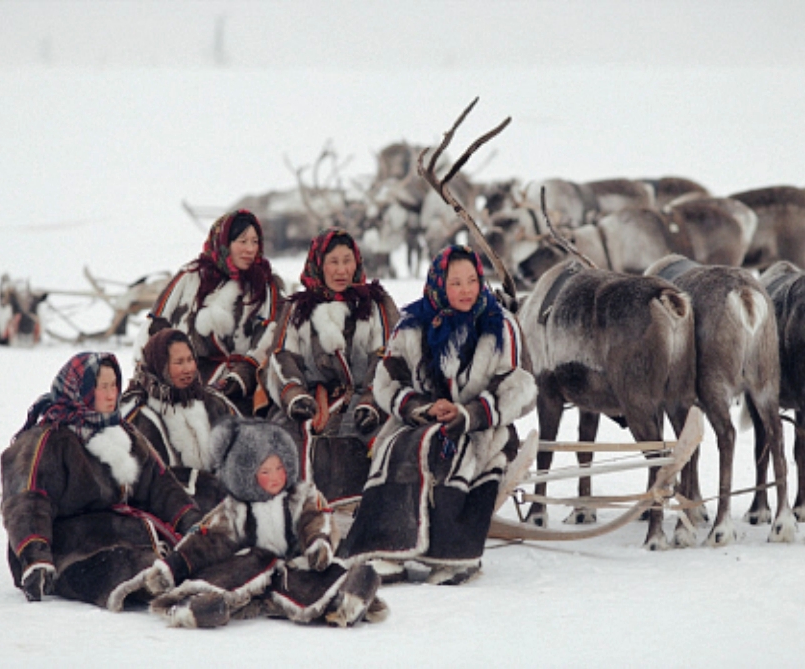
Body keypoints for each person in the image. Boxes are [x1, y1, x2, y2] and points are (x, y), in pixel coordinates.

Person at [339, 245, 536, 585]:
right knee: (394, 450)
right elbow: (388, 378)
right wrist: (423, 407)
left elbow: (518, 386)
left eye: (472, 281)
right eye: (455, 282)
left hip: (482, 426)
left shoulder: (500, 326)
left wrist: (468, 413)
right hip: (419, 421)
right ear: (439, 284)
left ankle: (453, 555)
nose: (466, 290)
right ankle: (390, 548)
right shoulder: (413, 325)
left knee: (461, 456)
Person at [135, 416, 388, 628]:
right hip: (251, 562)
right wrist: (175, 565)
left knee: (311, 582)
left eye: (280, 468)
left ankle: (350, 597)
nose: (275, 477)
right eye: (265, 472)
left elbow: (316, 518)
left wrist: (317, 544)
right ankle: (198, 606)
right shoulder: (237, 506)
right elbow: (209, 538)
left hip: (292, 563)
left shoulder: (300, 494)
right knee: (232, 574)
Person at [0, 352, 203, 611]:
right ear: (81, 391)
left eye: (114, 385)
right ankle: (184, 603)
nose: (111, 395)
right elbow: (27, 501)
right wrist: (35, 557)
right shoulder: (48, 440)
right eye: (101, 387)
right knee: (138, 567)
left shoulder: (123, 433)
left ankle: (203, 588)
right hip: (68, 549)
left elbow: (160, 484)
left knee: (184, 558)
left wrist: (191, 522)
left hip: (120, 535)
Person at [258, 228, 399, 506]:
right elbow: (282, 356)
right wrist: (295, 395)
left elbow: (387, 357)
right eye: (333, 262)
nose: (341, 270)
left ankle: (379, 509)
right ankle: (297, 510)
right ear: (318, 264)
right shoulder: (298, 309)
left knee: (388, 438)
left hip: (367, 399)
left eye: (347, 261)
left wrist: (372, 400)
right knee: (284, 438)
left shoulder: (376, 305)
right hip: (311, 401)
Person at [134, 209, 286, 416]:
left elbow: (269, 335)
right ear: (224, 242)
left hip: (240, 386)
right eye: (242, 241)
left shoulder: (266, 285)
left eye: (255, 241)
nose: (250, 249)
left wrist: (240, 377)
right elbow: (156, 326)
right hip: (182, 379)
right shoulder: (189, 278)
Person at [121, 328, 239, 511]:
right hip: (170, 512)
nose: (188, 369)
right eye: (178, 362)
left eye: (190, 359)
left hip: (223, 506)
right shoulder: (138, 415)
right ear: (161, 365)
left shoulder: (213, 403)